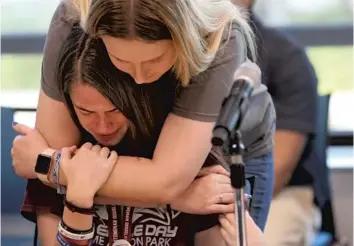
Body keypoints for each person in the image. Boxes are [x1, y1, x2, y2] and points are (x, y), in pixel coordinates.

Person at [11, 0, 275, 244]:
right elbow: (56, 161)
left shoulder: (221, 36)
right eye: (121, 61)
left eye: (154, 61)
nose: (138, 79)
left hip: (216, 149)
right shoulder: (71, 19)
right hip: (126, 152)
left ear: (182, 38)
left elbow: (165, 182)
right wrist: (174, 196)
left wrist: (47, 166)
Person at [236, 0, 321, 245]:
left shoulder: (286, 56)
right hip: (202, 194)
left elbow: (278, 170)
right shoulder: (179, 54)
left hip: (279, 194)